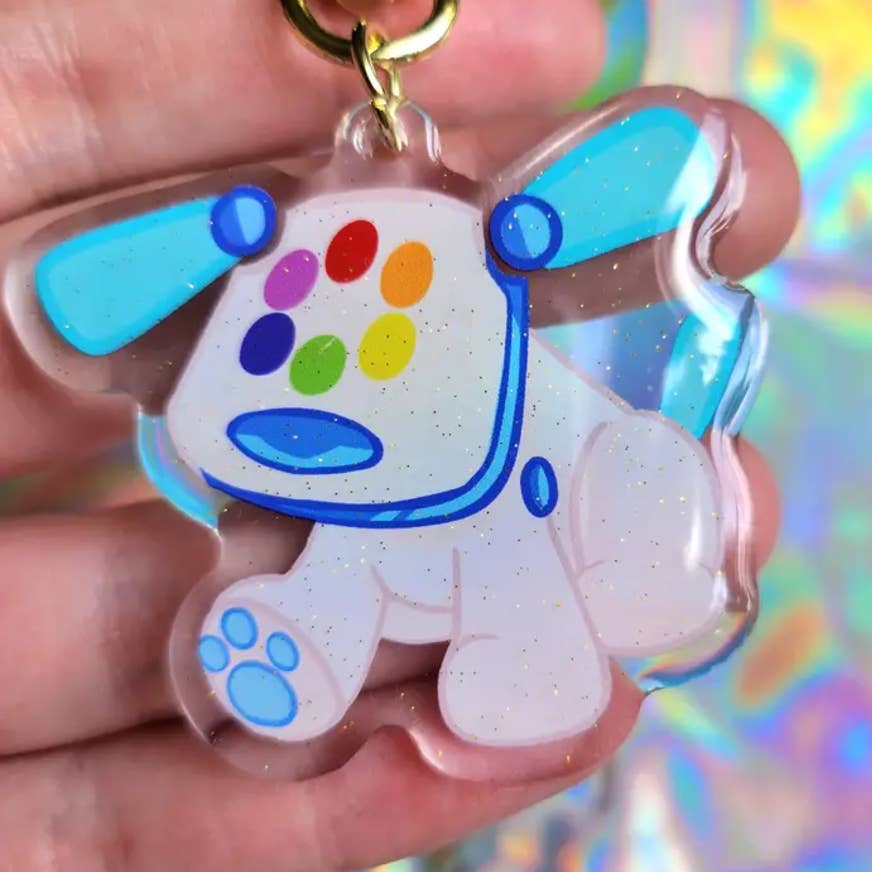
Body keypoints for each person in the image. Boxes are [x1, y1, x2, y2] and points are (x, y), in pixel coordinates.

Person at [0, 0, 796, 868]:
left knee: (592, 508)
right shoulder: (330, 426)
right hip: (375, 520)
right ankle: (309, 643)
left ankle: (541, 646)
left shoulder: (479, 326)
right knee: (344, 562)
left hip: (565, 519)